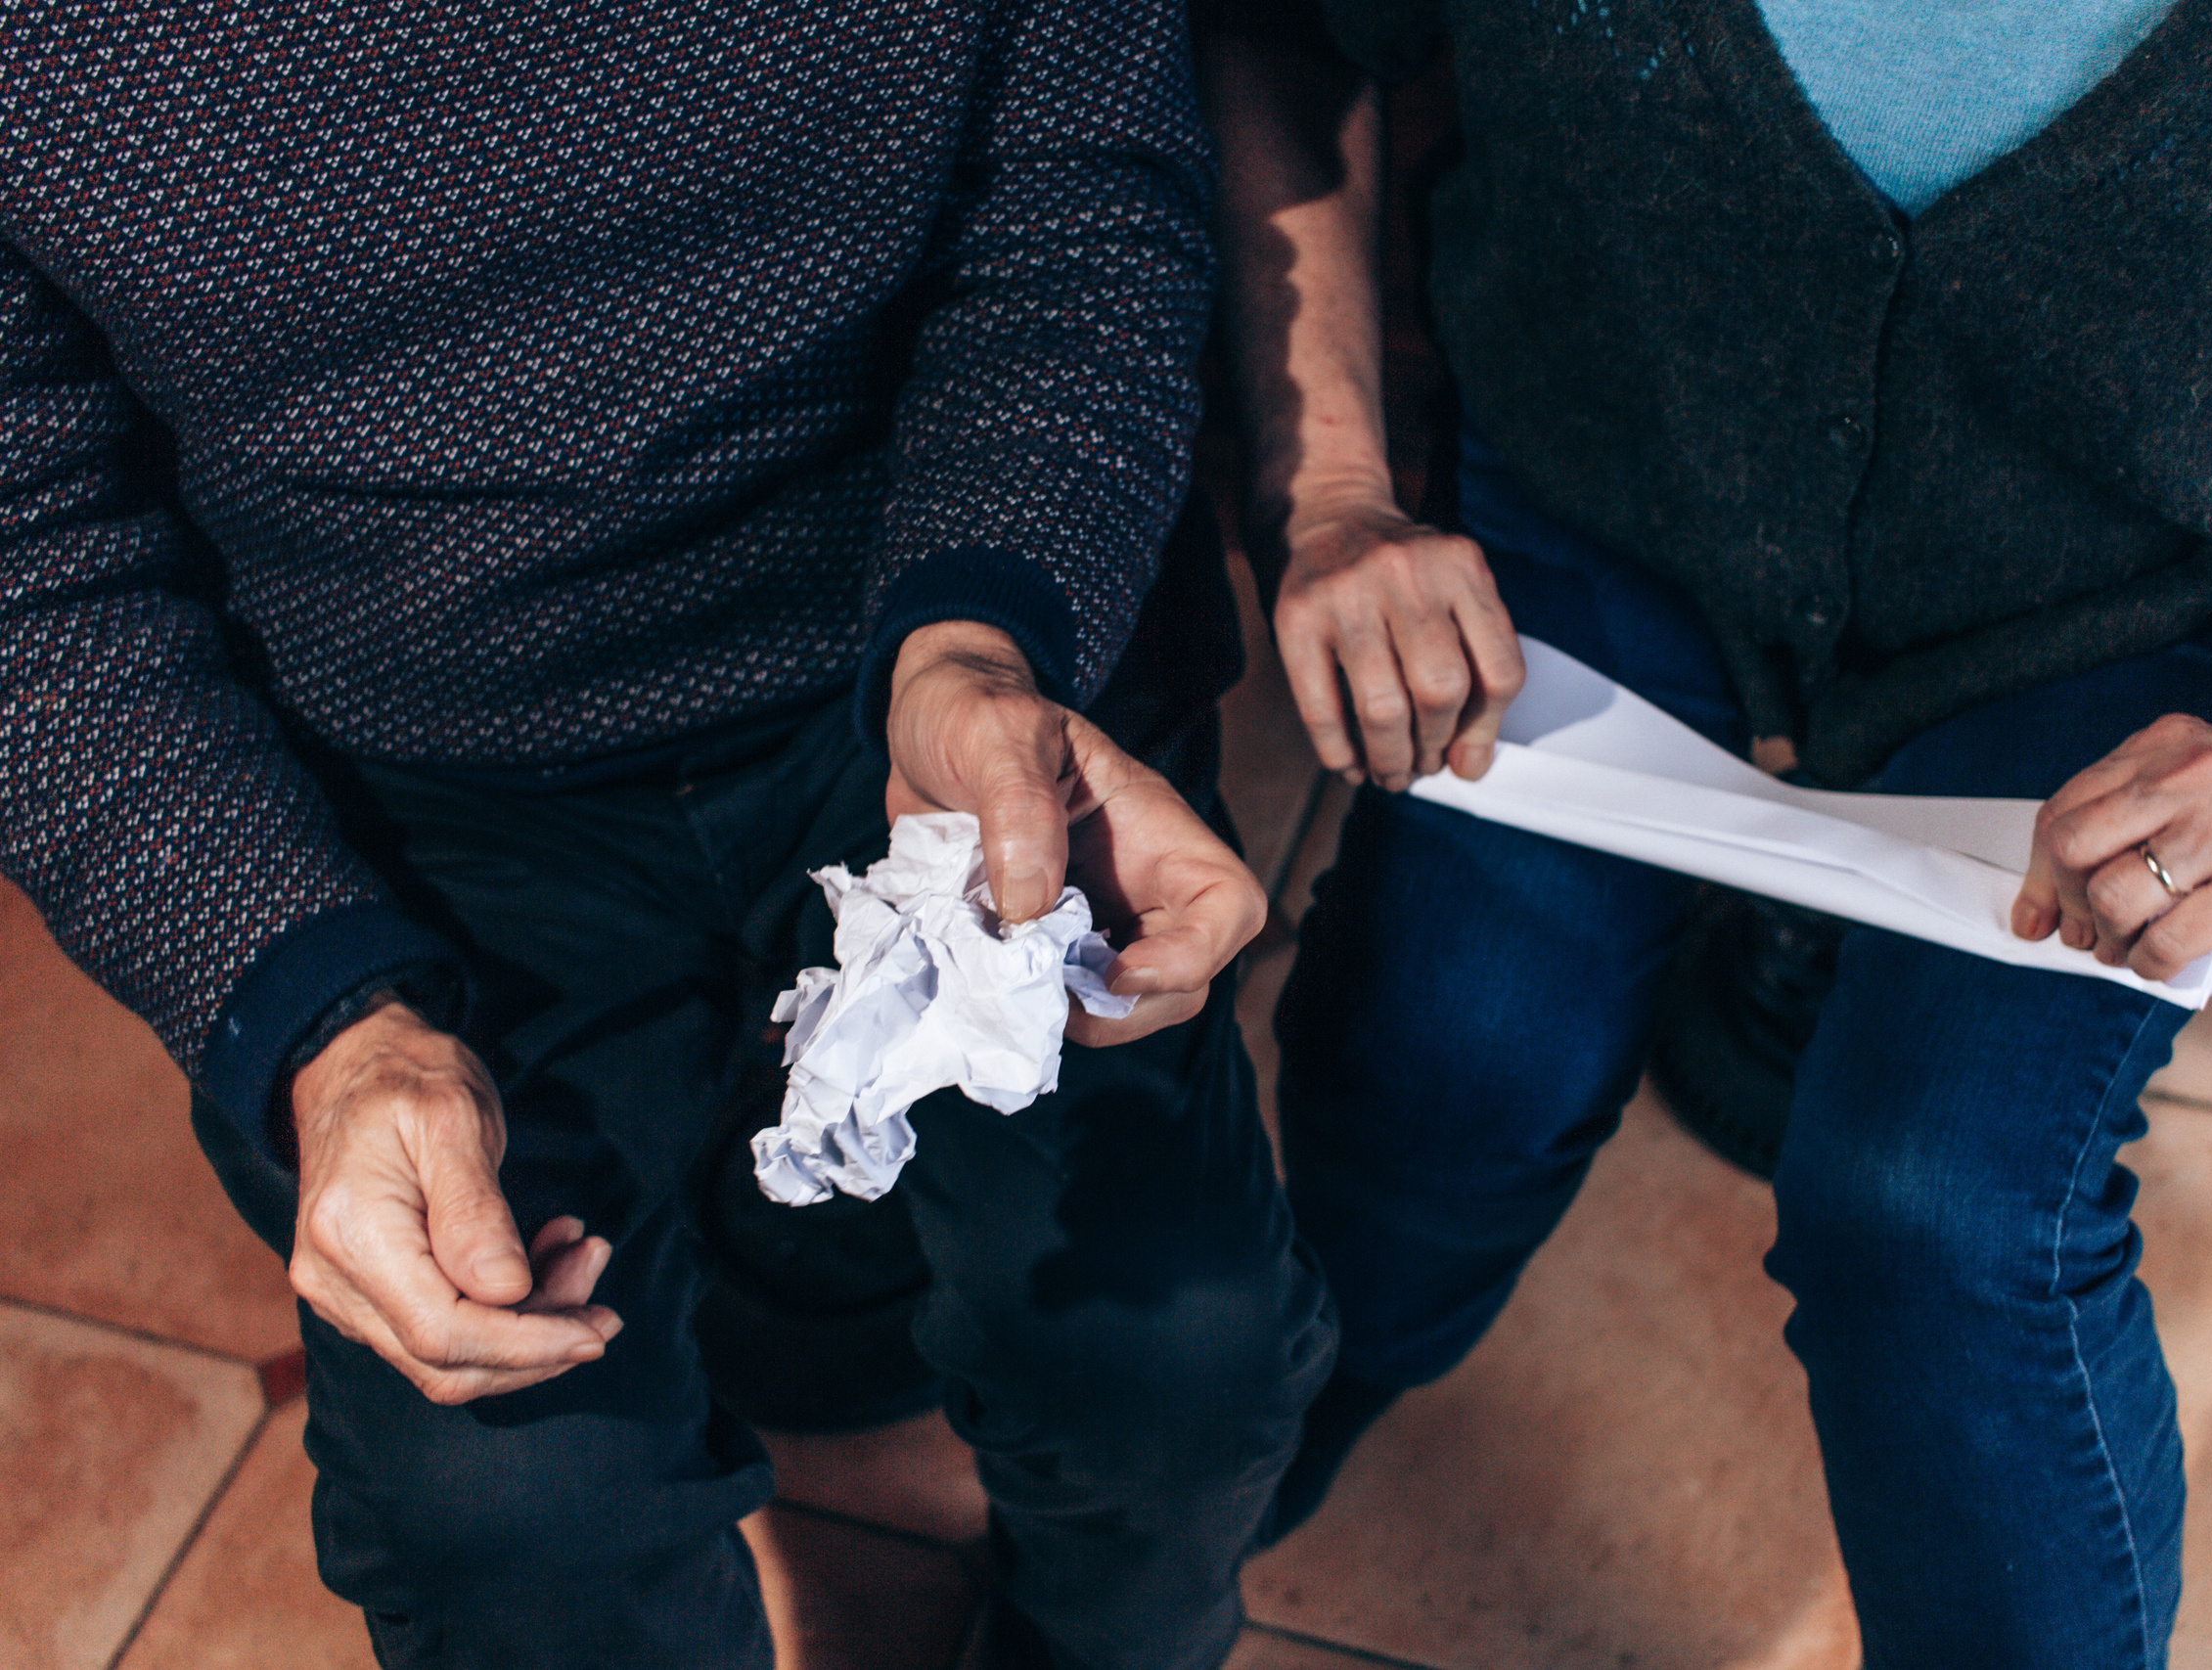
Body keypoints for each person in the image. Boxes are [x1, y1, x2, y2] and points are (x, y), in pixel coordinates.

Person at [0, 6, 1335, 1668]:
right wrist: (323, 1024)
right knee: (507, 1521)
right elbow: (26, 560)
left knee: (1179, 1354)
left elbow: (1076, 210)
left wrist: (978, 640)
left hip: (919, 641)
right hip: (391, 774)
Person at [1204, 2, 2212, 1664]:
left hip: (2190, 555)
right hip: (1620, 433)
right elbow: (1285, 36)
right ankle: (1284, 1419)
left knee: (1937, 1206)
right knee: (1446, 1042)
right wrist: (1329, 489)